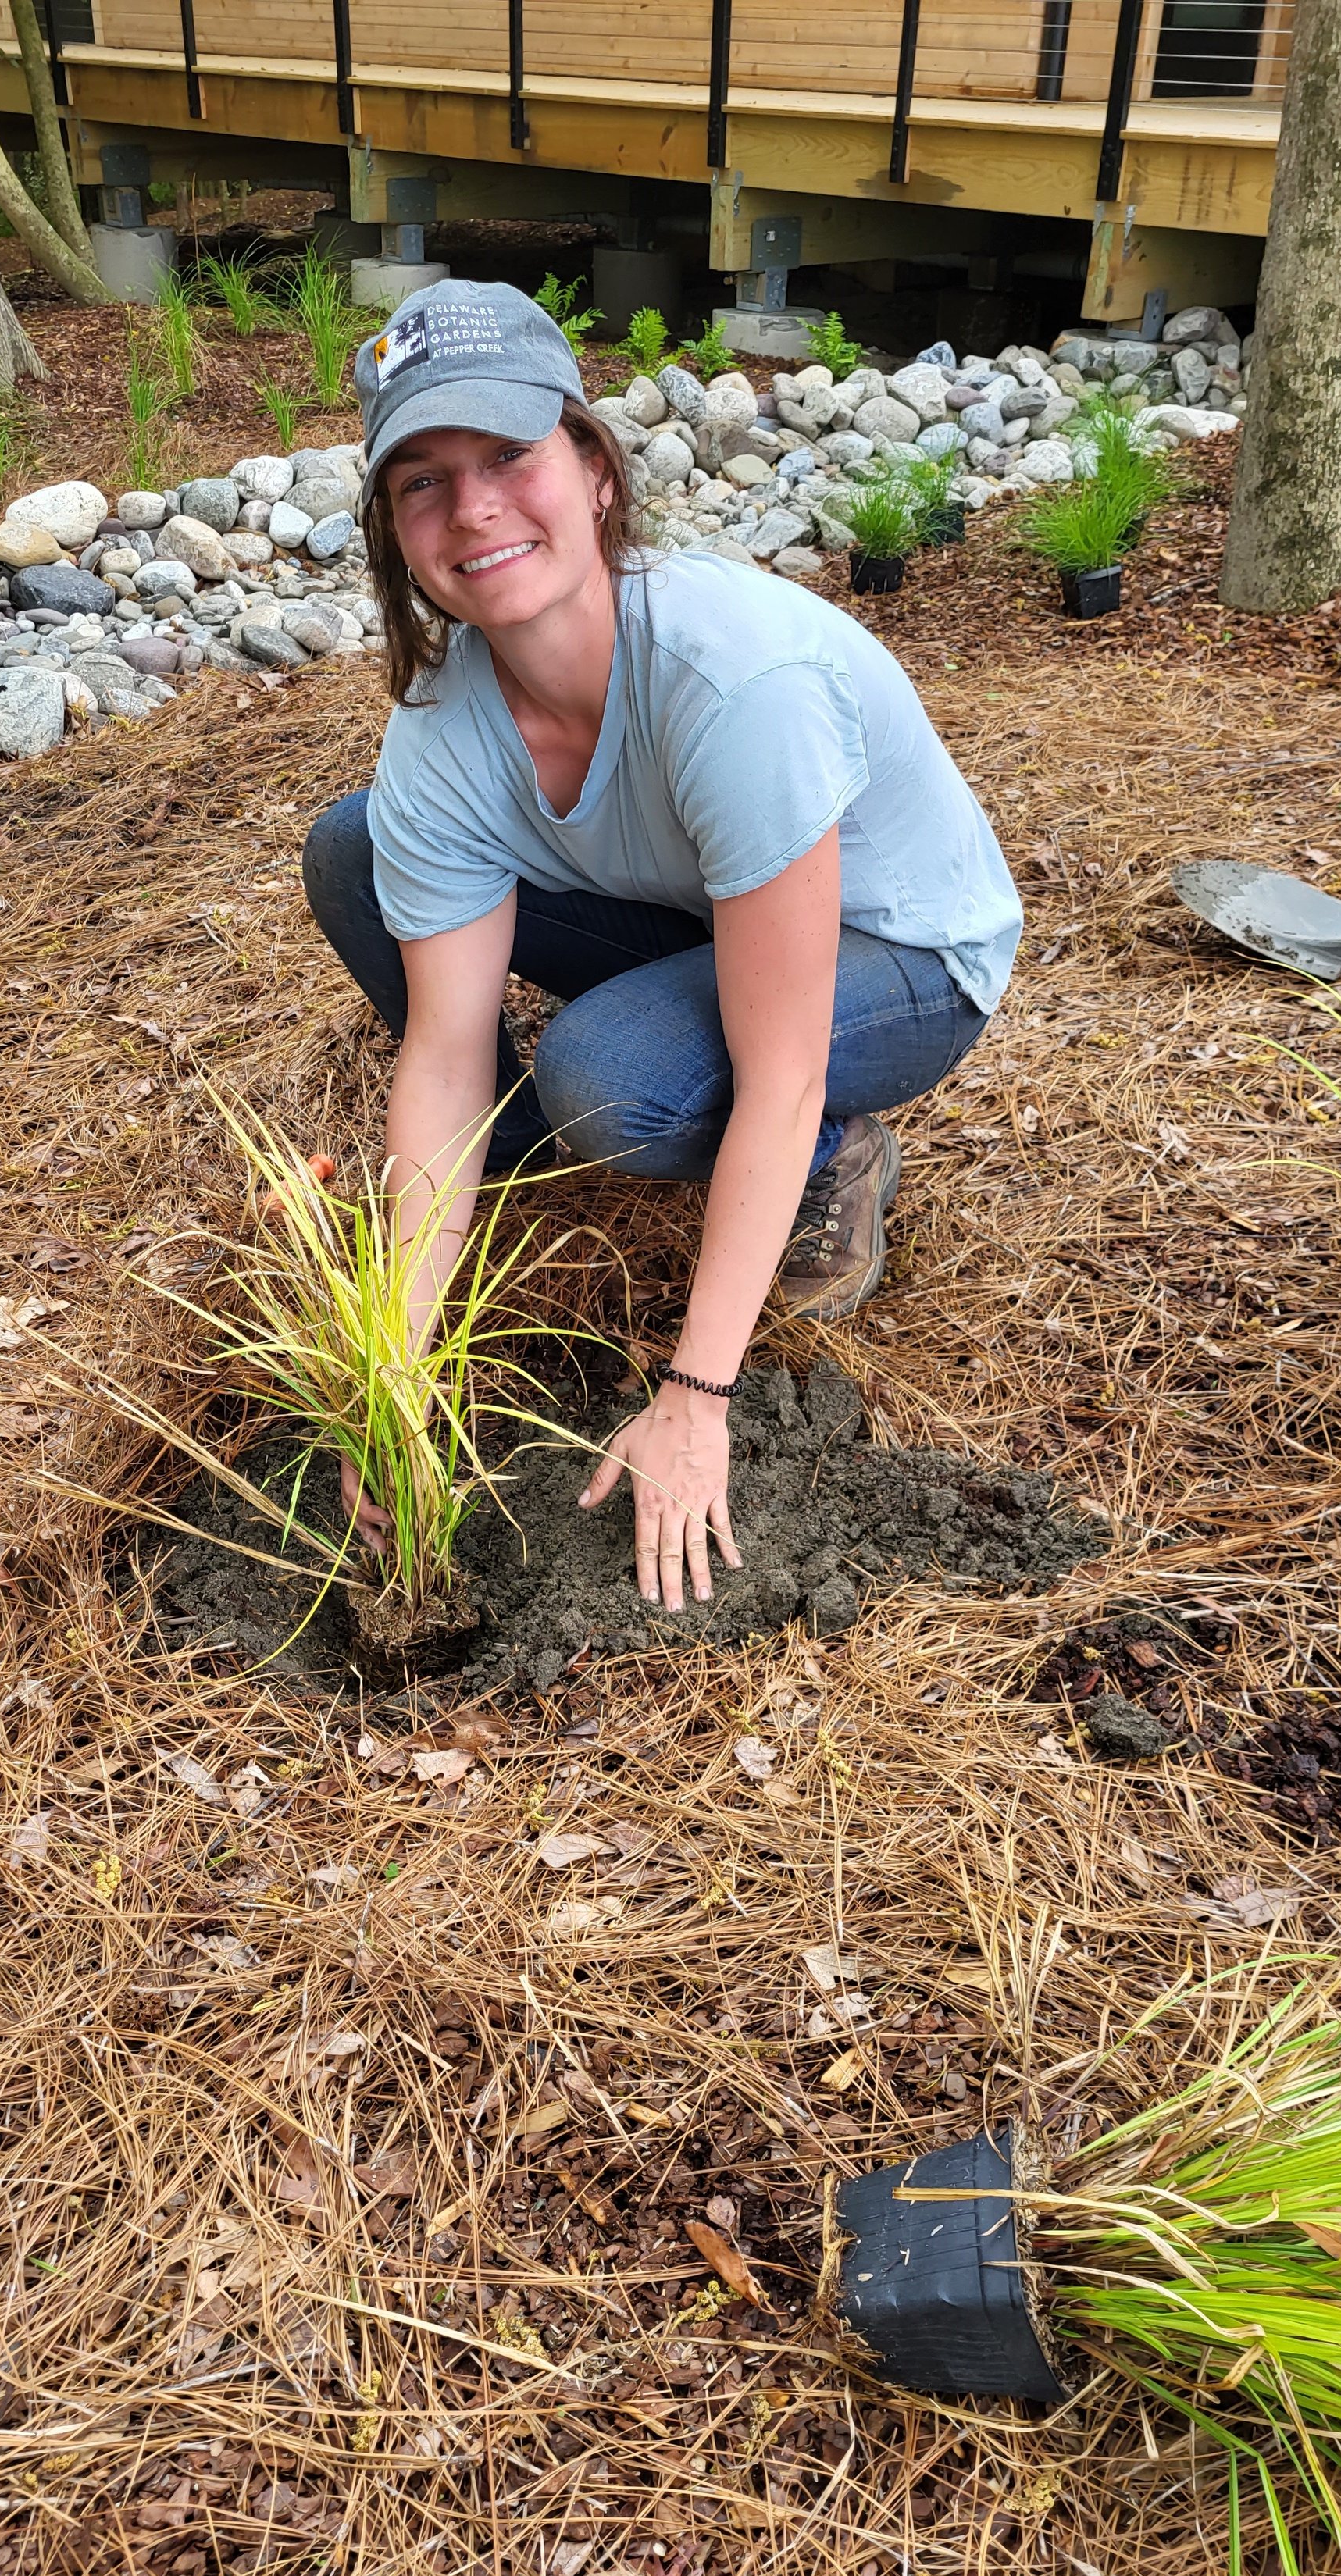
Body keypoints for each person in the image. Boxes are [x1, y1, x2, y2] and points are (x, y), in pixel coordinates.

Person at [300, 278, 1021, 1620]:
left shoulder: (734, 683)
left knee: (614, 1079)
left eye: (509, 458)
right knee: (357, 849)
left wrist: (696, 1395)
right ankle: (505, 1187)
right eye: (423, 482)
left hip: (902, 953)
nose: (473, 513)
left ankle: (839, 1168)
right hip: (708, 910)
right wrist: (391, 1375)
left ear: (592, 467)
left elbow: (784, 1062)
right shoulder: (445, 728)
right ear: (393, 530)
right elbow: (445, 1055)